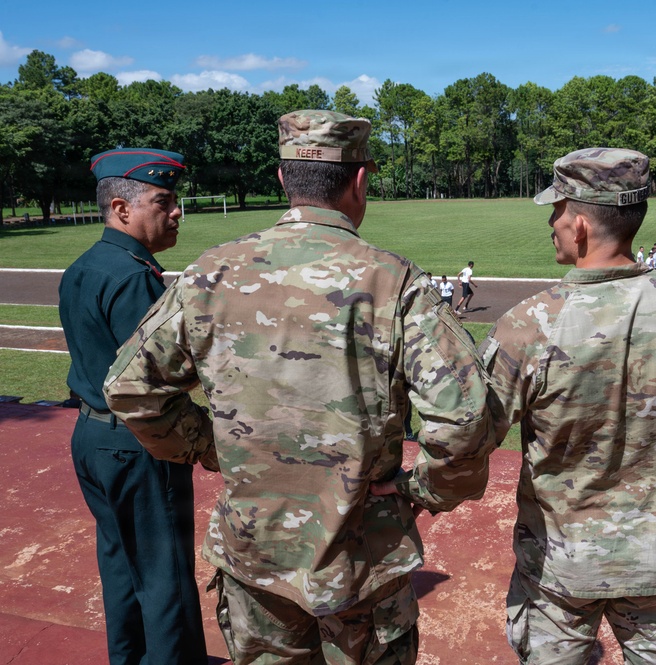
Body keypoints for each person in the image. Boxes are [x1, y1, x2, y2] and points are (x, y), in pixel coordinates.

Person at [104, 111, 496, 664]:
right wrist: (422, 491)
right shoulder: (394, 283)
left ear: (284, 180)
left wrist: (212, 447)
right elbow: (466, 419)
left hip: (255, 553)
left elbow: (130, 390)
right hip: (362, 559)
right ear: (361, 180)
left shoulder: (209, 274)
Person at [479, 147, 656, 664]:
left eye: (555, 211)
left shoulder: (530, 323)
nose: (550, 223)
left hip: (560, 566)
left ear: (579, 226)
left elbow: (472, 435)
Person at [59, 148, 210, 665]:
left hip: (91, 438)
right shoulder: (133, 276)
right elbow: (155, 379)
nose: (176, 213)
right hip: (137, 444)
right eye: (163, 201)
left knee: (123, 567)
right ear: (122, 209)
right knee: (165, 575)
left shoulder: (84, 266)